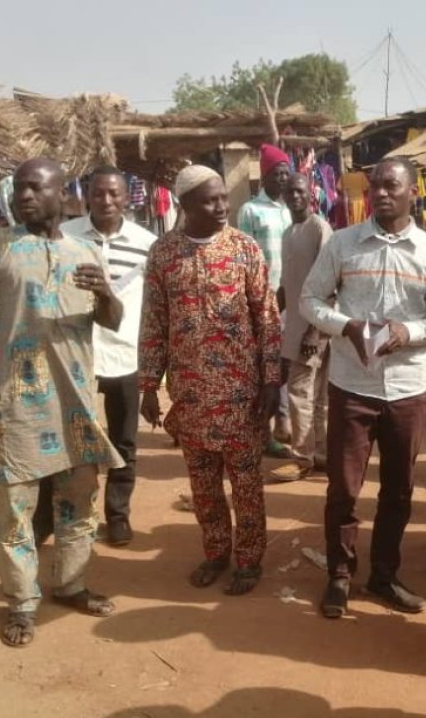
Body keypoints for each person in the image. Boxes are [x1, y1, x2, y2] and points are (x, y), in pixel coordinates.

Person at [0, 157, 123, 647]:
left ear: (63, 195)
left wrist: (105, 293)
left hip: (75, 401)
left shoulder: (84, 250)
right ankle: (21, 604)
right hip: (16, 401)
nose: (25, 196)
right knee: (17, 509)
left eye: (37, 188)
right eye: (20, 188)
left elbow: (113, 320)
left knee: (80, 499)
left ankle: (71, 583)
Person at [301, 157, 426, 619]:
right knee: (344, 490)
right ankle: (340, 577)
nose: (382, 193)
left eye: (392, 186)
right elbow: (309, 299)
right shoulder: (343, 244)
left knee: (398, 490)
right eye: (377, 187)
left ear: (412, 193)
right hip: (352, 385)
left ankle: (384, 576)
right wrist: (345, 326)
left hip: (407, 388)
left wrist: (408, 333)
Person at [139, 164, 280, 596]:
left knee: (245, 482)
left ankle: (249, 560)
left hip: (241, 393)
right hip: (190, 393)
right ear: (183, 205)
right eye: (210, 200)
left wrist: (271, 379)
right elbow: (154, 321)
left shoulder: (244, 249)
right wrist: (148, 383)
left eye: (223, 197)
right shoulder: (163, 254)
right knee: (203, 484)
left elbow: (267, 317)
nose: (222, 206)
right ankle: (216, 552)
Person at [60, 166, 157, 545]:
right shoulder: (66, 237)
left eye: (113, 194)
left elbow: (152, 303)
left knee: (123, 442)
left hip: (125, 354)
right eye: (99, 193)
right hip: (76, 354)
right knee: (74, 440)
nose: (105, 201)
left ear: (127, 197)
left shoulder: (147, 242)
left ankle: (118, 515)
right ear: (87, 195)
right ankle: (74, 513)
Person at [268, 172, 333, 483]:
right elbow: (287, 285)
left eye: (300, 191)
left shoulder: (320, 229)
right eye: (289, 192)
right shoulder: (288, 233)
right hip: (295, 326)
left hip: (314, 329)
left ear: (311, 194)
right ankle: (321, 454)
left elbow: (331, 284)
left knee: (300, 393)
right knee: (313, 396)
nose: (294, 196)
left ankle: (302, 457)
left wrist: (314, 331)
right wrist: (269, 314)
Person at [237, 143, 294, 456]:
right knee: (262, 368)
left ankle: (281, 422)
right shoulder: (250, 211)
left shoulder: (291, 208)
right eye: (277, 173)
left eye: (286, 173)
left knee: (283, 365)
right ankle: (263, 434)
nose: (283, 179)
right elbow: (246, 258)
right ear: (265, 177)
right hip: (264, 300)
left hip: (291, 300)